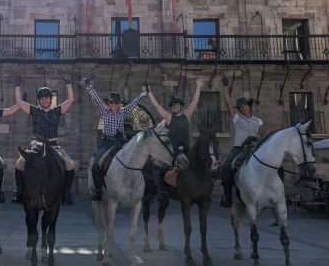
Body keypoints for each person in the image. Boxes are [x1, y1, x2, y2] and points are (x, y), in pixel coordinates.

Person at [14, 74, 76, 205]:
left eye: (47, 98)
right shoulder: (34, 110)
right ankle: (19, 192)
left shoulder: (57, 111)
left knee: (70, 164)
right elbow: (19, 102)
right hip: (36, 145)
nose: (45, 100)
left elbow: (70, 100)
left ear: (51, 99)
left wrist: (68, 84)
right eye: (42, 98)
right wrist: (17, 86)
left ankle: (66, 193)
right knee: (19, 164)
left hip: (54, 145)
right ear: (39, 100)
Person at [84, 73, 146, 201]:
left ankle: (141, 187)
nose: (113, 104)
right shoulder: (104, 110)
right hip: (106, 142)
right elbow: (95, 98)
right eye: (111, 102)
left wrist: (143, 93)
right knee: (96, 164)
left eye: (116, 102)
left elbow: (134, 103)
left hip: (120, 142)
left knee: (134, 159)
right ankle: (98, 190)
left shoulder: (123, 111)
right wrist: (88, 86)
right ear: (109, 102)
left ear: (119, 104)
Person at [219, 83, 263, 208]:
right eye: (241, 107)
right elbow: (228, 104)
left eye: (245, 106)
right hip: (238, 148)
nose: (244, 108)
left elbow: (261, 135)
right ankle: (227, 196)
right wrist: (225, 88)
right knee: (226, 167)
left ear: (249, 106)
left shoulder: (258, 121)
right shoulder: (237, 119)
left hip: (254, 148)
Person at [144, 79, 204, 159]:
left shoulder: (186, 115)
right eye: (173, 105)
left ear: (181, 107)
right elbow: (156, 105)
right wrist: (149, 93)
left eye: (177, 105)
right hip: (173, 154)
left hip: (186, 151)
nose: (175, 107)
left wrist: (199, 86)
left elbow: (194, 101)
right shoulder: (169, 117)